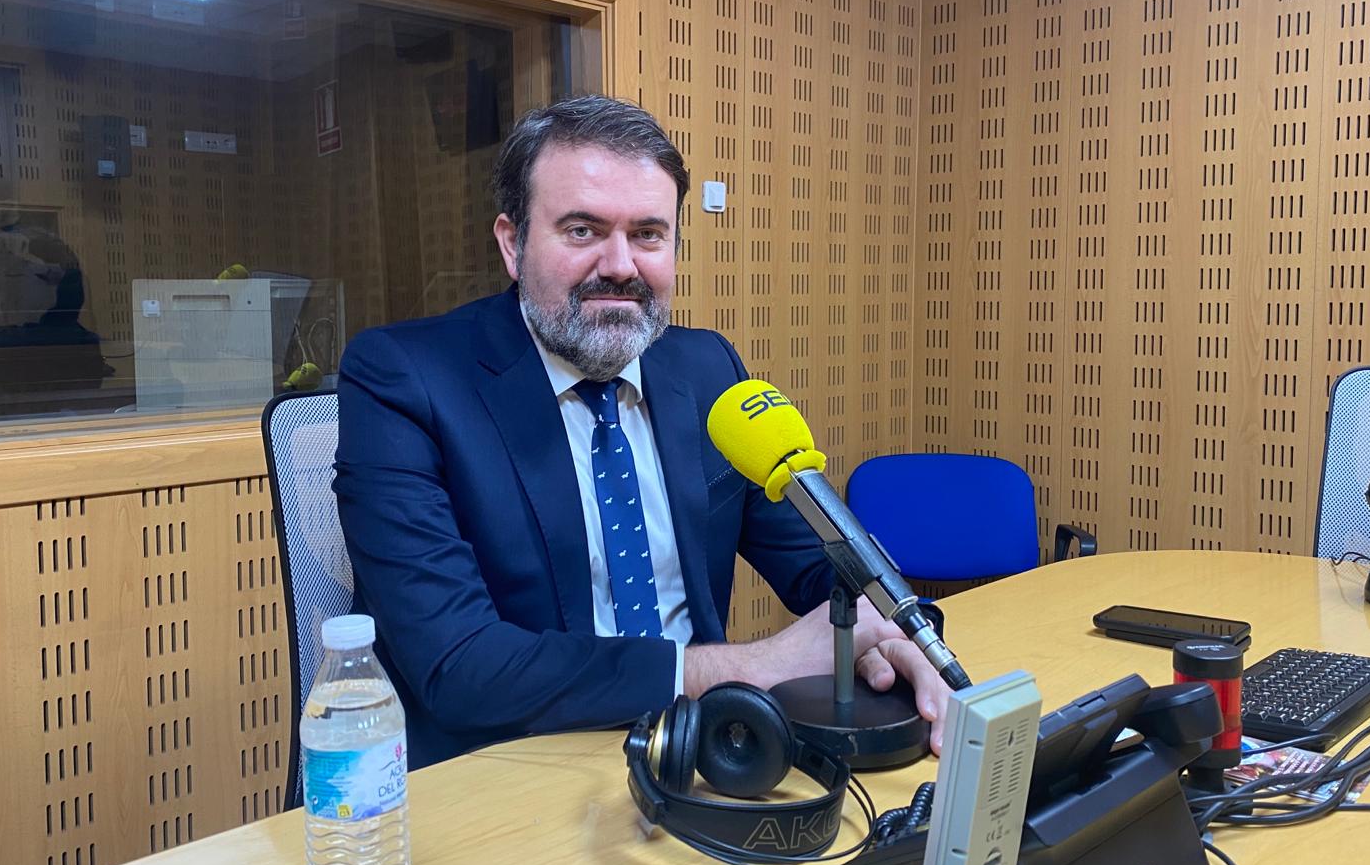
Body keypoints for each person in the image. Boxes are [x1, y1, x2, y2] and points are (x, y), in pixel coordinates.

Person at [334, 96, 949, 769]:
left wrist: (891, 636)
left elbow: (823, 566)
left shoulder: (708, 369)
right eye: (582, 230)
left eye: (649, 234)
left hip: (707, 755)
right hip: (509, 765)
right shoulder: (403, 378)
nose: (621, 265)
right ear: (513, 243)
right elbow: (461, 666)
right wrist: (749, 666)